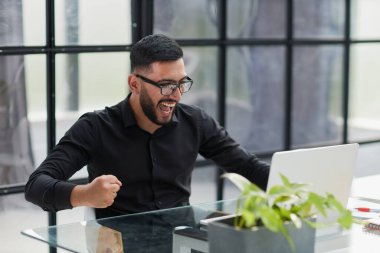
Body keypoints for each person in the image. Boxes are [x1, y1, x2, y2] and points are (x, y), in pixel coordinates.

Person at [25, 34, 269, 219]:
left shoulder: (196, 121)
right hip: (117, 245)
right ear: (134, 83)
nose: (175, 95)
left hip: (181, 241)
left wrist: (296, 184)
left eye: (181, 83)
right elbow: (36, 186)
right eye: (165, 84)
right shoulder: (95, 127)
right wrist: (83, 195)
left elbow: (247, 166)